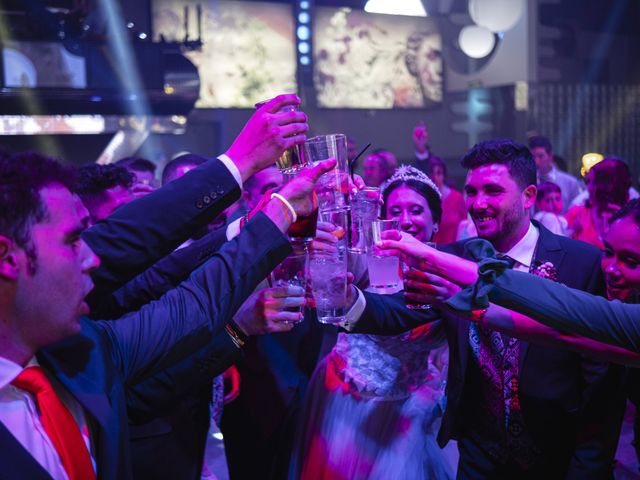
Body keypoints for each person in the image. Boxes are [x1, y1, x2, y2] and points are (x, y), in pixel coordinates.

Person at [0, 94, 318, 479]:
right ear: (7, 257)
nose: (92, 258)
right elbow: (127, 243)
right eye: (72, 241)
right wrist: (245, 170)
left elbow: (187, 301)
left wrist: (272, 214)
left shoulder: (84, 351)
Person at [344, 139, 624, 479]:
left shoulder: (580, 263)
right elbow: (396, 312)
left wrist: (587, 469)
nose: (478, 204)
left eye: (492, 191)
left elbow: (600, 389)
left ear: (529, 196)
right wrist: (343, 298)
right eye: (471, 192)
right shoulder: (453, 258)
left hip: (557, 458)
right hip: (479, 457)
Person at [290, 165, 455, 480]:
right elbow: (336, 270)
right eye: (396, 211)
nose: (406, 220)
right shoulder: (369, 261)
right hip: (349, 400)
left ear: (436, 222)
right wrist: (337, 209)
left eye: (416, 210)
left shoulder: (449, 272)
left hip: (412, 407)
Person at [565, 157, 632, 250]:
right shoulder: (577, 213)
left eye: (594, 182)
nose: (589, 188)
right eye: (588, 182)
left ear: (611, 185)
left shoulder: (633, 216)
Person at [528, 136, 581, 212]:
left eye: (541, 156)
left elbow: (576, 211)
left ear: (551, 157)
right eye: (533, 157)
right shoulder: (527, 181)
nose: (536, 161)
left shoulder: (570, 182)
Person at [425, 155, 467, 244]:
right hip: (432, 252)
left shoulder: (457, 198)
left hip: (454, 252)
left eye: (439, 173)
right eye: (432, 173)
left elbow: (464, 227)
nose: (435, 177)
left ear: (444, 175)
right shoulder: (426, 199)